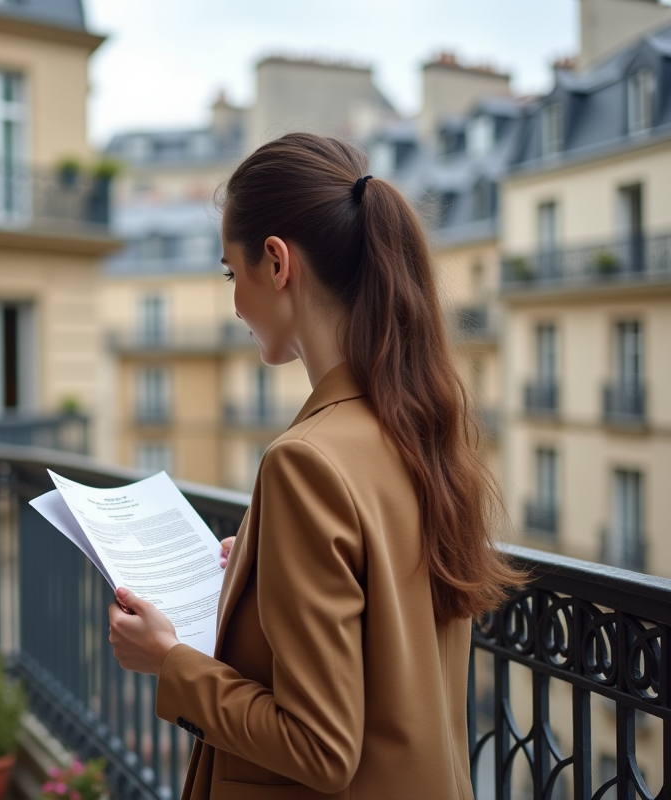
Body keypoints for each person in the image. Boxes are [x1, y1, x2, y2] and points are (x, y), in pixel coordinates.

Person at [106, 133, 523, 799]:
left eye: (229, 273)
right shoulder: (419, 428)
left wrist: (169, 663)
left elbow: (319, 747)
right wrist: (266, 565)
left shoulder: (305, 463)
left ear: (276, 262)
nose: (234, 301)